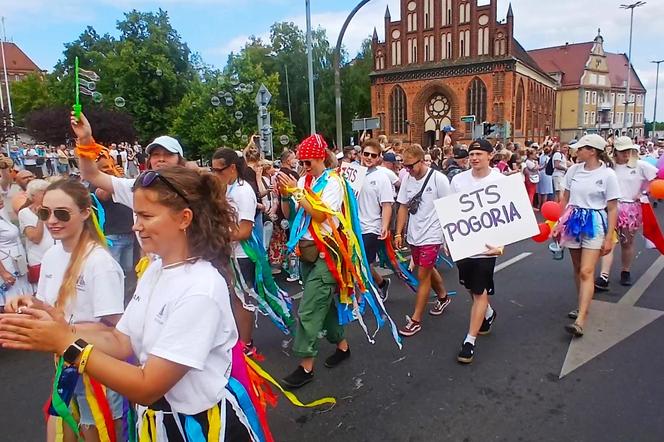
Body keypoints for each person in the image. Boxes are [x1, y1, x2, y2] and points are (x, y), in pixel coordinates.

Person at [0, 167, 256, 440]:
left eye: (146, 216)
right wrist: (55, 322)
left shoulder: (200, 288)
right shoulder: (157, 269)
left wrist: (66, 344)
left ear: (184, 218)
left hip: (198, 428)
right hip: (158, 422)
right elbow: (121, 341)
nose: (135, 225)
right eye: (136, 215)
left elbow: (148, 386)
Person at [7, 179, 126, 441]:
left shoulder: (99, 263)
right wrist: (29, 304)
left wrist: (62, 328)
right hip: (65, 362)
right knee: (61, 432)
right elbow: (51, 307)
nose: (52, 220)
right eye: (44, 213)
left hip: (96, 369)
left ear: (85, 212)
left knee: (98, 431)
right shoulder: (52, 255)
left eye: (62, 213)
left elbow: (117, 330)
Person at [277, 134, 350, 388]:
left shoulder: (333, 182)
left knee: (308, 310)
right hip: (307, 252)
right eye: (302, 162)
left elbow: (320, 215)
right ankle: (342, 346)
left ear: (320, 157)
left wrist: (297, 192)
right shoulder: (303, 180)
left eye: (308, 162)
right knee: (325, 305)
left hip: (326, 253)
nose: (304, 166)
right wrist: (286, 196)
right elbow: (292, 214)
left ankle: (305, 367)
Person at [555, 134, 619, 337]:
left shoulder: (607, 175)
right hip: (573, 220)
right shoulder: (573, 170)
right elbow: (564, 199)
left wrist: (609, 237)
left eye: (581, 148)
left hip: (594, 222)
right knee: (577, 268)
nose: (577, 151)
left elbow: (612, 208)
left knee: (586, 271)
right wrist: (558, 223)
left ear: (592, 151)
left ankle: (581, 319)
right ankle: (580, 303)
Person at [450, 139, 504, 364]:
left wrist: (502, 244)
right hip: (464, 245)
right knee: (471, 288)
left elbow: (507, 214)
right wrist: (448, 238)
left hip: (487, 248)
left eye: (479, 154)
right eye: (471, 154)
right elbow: (451, 210)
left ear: (490, 156)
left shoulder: (500, 181)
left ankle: (469, 341)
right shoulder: (458, 180)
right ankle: (489, 313)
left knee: (480, 291)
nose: (474, 158)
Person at [394, 143, 453, 336]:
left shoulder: (438, 179)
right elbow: (402, 206)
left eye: (410, 166)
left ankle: (416, 320)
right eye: (404, 166)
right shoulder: (408, 180)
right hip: (414, 234)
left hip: (432, 235)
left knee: (422, 275)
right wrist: (398, 232)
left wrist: (448, 238)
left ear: (422, 160)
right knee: (425, 268)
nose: (407, 170)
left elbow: (449, 207)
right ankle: (443, 297)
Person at [72, 112, 185, 210]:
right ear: (149, 160)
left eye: (168, 154)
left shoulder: (194, 189)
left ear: (180, 160)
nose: (161, 159)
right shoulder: (136, 188)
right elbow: (91, 174)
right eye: (156, 154)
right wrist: (85, 139)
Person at [211, 148, 259, 356]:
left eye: (218, 170)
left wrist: (213, 236)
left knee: (242, 300)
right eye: (212, 170)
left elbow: (245, 231)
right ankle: (237, 341)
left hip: (242, 254)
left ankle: (246, 344)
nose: (215, 175)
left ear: (232, 168)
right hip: (230, 253)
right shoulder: (229, 188)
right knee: (233, 298)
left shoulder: (243, 191)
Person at [595, 136, 658, 290]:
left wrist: (644, 192)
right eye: (623, 151)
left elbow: (656, 179)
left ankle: (625, 270)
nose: (626, 154)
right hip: (610, 207)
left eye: (629, 150)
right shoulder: (609, 167)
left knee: (627, 242)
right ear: (616, 151)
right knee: (609, 240)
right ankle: (604, 275)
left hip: (630, 209)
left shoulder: (640, 165)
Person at [358, 139, 394, 300]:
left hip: (371, 227)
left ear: (379, 158)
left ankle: (360, 300)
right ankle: (381, 283)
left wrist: (384, 226)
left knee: (361, 264)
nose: (369, 158)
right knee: (361, 263)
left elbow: (387, 204)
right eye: (366, 154)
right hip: (351, 226)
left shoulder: (382, 177)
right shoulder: (351, 173)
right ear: (360, 154)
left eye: (373, 155)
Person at [18, 179, 55, 291]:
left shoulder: (53, 209)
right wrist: (41, 217)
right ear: (33, 196)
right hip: (39, 259)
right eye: (43, 193)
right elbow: (35, 238)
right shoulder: (24, 213)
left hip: (56, 254)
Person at [0, 197, 32, 312]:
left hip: (18, 261)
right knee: (10, 299)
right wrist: (3, 272)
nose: (0, 200)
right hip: (6, 265)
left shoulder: (3, 216)